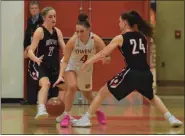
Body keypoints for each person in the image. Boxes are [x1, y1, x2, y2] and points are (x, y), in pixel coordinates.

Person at [72, 11, 183, 127]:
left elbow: (103, 53)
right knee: (152, 97)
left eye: (120, 22)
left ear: (125, 23)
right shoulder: (142, 37)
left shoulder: (120, 38)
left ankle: (86, 119)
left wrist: (87, 63)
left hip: (131, 73)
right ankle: (171, 118)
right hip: (146, 74)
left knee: (102, 93)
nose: (118, 24)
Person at [53, 13, 110, 127]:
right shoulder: (73, 41)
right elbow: (65, 60)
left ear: (89, 29)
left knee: (87, 94)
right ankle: (67, 116)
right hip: (71, 65)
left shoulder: (96, 40)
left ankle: (98, 111)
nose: (78, 34)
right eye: (77, 31)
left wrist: (105, 59)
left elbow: (107, 55)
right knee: (72, 86)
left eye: (81, 31)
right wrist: (60, 76)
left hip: (86, 68)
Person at [27, 7, 66, 119]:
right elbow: (30, 51)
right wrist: (36, 59)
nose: (53, 19)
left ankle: (62, 112)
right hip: (39, 64)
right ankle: (41, 108)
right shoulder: (40, 31)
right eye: (50, 17)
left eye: (54, 16)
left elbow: (64, 49)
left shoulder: (57, 32)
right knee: (46, 84)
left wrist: (67, 56)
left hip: (54, 66)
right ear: (44, 18)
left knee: (63, 87)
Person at [23, 1, 43, 105]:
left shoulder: (43, 20)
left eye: (35, 8)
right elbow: (27, 37)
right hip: (31, 51)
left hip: (41, 51)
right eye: (32, 8)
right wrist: (26, 48)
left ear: (39, 9)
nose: (34, 10)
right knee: (32, 74)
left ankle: (44, 99)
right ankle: (31, 99)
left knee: (42, 75)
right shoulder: (29, 21)